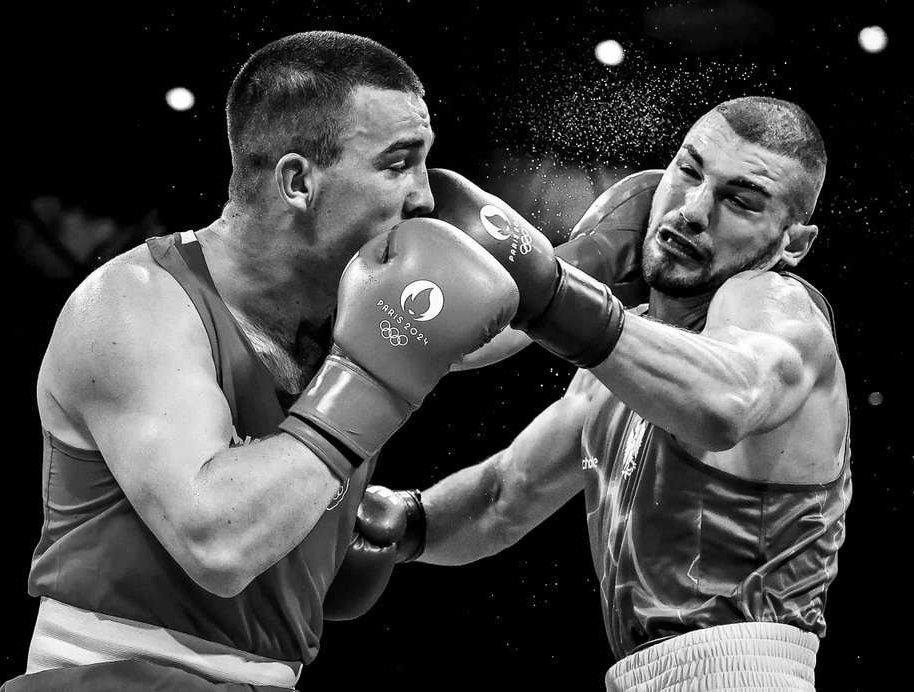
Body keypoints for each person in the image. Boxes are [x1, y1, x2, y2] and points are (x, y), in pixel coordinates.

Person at [1, 30, 523, 691]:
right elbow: (218, 544)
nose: (425, 196)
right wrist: (371, 384)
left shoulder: (349, 318)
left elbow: (497, 326)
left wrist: (589, 277)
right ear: (298, 181)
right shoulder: (135, 306)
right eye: (397, 164)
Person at [357, 95, 853, 691]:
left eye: (741, 201)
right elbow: (504, 495)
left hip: (748, 673)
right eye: (688, 171)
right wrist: (405, 523)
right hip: (638, 676)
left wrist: (558, 292)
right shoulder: (623, 358)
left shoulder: (779, 305)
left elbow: (730, 399)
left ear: (793, 243)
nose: (694, 209)